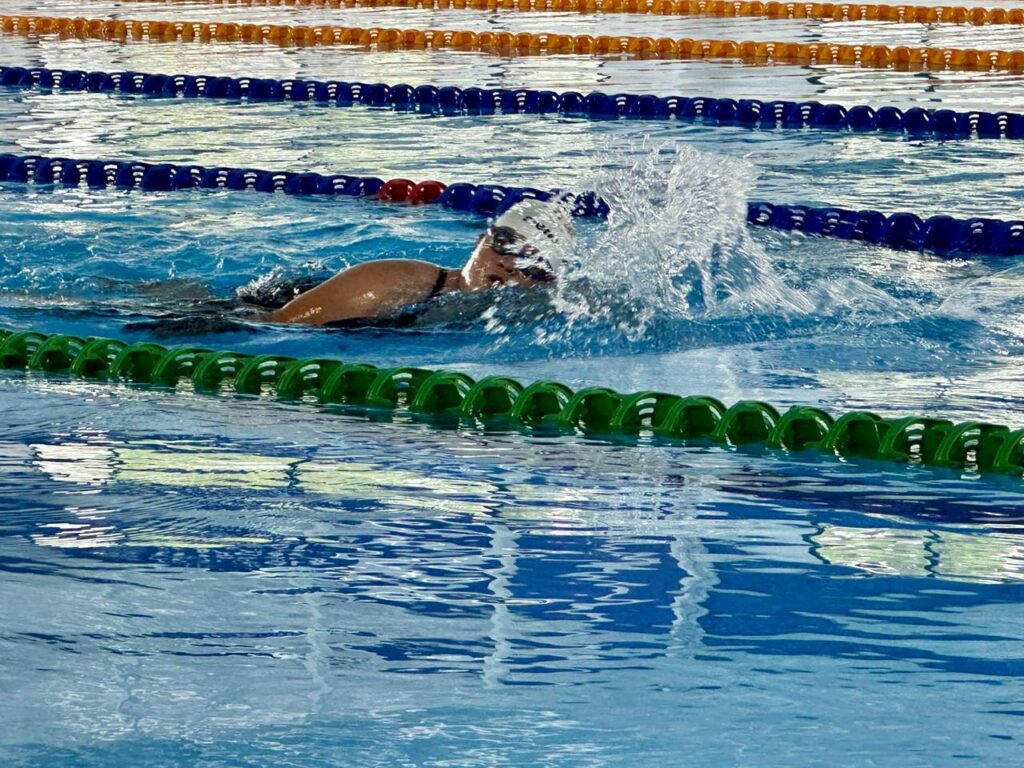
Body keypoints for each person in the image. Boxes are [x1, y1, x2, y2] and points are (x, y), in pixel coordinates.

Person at [266, 198, 572, 328]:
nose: (509, 263)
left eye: (531, 263)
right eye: (504, 243)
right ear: (480, 240)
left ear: (545, 282)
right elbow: (276, 325)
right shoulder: (389, 282)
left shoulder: (534, 315)